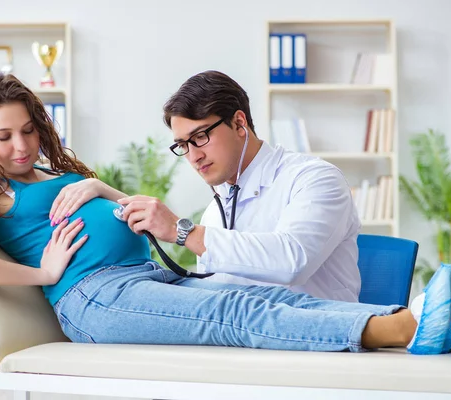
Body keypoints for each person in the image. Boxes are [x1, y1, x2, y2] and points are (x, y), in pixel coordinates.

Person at [0, 70, 451, 356]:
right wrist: (42, 274)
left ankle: (435, 317)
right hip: (94, 296)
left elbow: (132, 215)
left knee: (255, 297)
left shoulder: (51, 175)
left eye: (29, 129)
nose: (20, 146)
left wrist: (98, 190)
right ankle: (408, 327)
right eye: (4, 136)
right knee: (233, 313)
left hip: (143, 276)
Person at [112, 70, 362, 302]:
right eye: (183, 145)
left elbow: (291, 261)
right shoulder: (216, 209)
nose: (193, 156)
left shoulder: (316, 179)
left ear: (239, 123)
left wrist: (182, 231)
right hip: (243, 347)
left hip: (319, 345)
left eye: (200, 137)